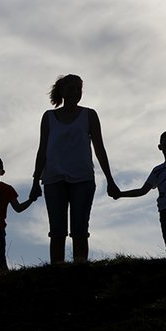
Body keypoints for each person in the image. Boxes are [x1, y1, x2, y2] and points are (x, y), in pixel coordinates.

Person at [29, 74, 119, 264]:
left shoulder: (89, 115)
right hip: (53, 178)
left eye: (79, 88)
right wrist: (35, 181)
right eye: (71, 88)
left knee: (79, 229)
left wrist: (110, 180)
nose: (76, 92)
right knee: (57, 231)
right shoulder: (49, 117)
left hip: (83, 178)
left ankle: (80, 268)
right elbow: (42, 149)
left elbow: (99, 148)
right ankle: (57, 270)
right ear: (62, 91)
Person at [111, 130, 166, 258]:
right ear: (160, 147)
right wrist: (121, 194)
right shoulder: (157, 170)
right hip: (164, 208)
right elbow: (143, 190)